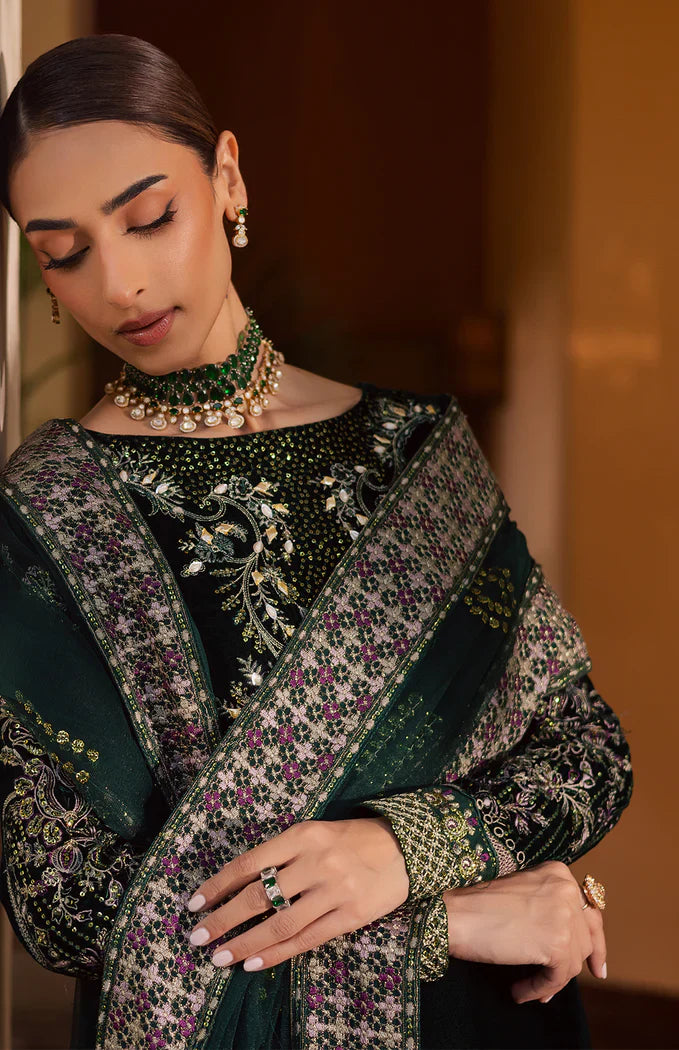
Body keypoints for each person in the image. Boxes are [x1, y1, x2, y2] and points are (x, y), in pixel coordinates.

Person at [0, 33, 632, 1050]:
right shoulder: (44, 516)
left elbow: (583, 750)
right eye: (65, 253)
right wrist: (439, 918)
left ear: (228, 179)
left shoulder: (416, 449)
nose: (119, 283)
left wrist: (407, 848)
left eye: (150, 217)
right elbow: (68, 903)